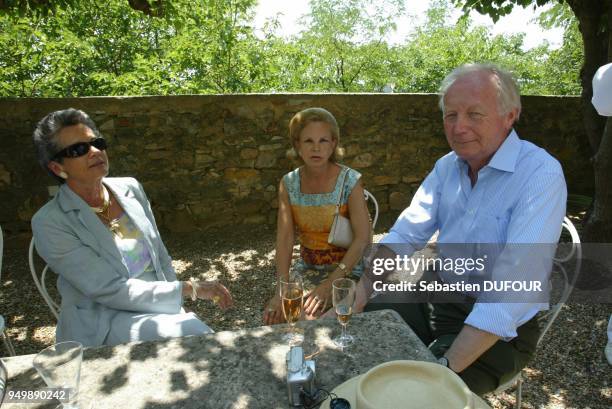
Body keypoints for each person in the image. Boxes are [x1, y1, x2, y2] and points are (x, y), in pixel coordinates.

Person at [351, 64, 567, 395]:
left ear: (510, 116)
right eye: (450, 115)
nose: (459, 127)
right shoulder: (446, 166)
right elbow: (406, 235)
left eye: (474, 114)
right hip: (436, 296)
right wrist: (361, 292)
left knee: (418, 395)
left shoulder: (540, 174)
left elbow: (513, 290)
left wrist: (444, 368)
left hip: (500, 331)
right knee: (360, 337)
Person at [31, 108, 233, 347]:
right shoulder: (50, 222)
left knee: (193, 336)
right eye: (78, 149)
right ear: (57, 168)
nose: (95, 151)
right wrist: (191, 289)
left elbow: (160, 255)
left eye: (97, 142)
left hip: (157, 306)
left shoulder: (130, 188)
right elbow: (109, 290)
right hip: (105, 319)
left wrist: (176, 305)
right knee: (197, 336)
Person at [263, 107, 371, 324]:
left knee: (307, 318)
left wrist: (329, 284)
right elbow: (284, 240)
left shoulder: (350, 180)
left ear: (333, 144)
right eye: (308, 141)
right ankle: (294, 358)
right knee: (273, 317)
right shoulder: (288, 183)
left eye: (323, 141)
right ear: (297, 145)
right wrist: (280, 289)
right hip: (307, 266)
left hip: (346, 268)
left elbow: (362, 239)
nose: (316, 148)